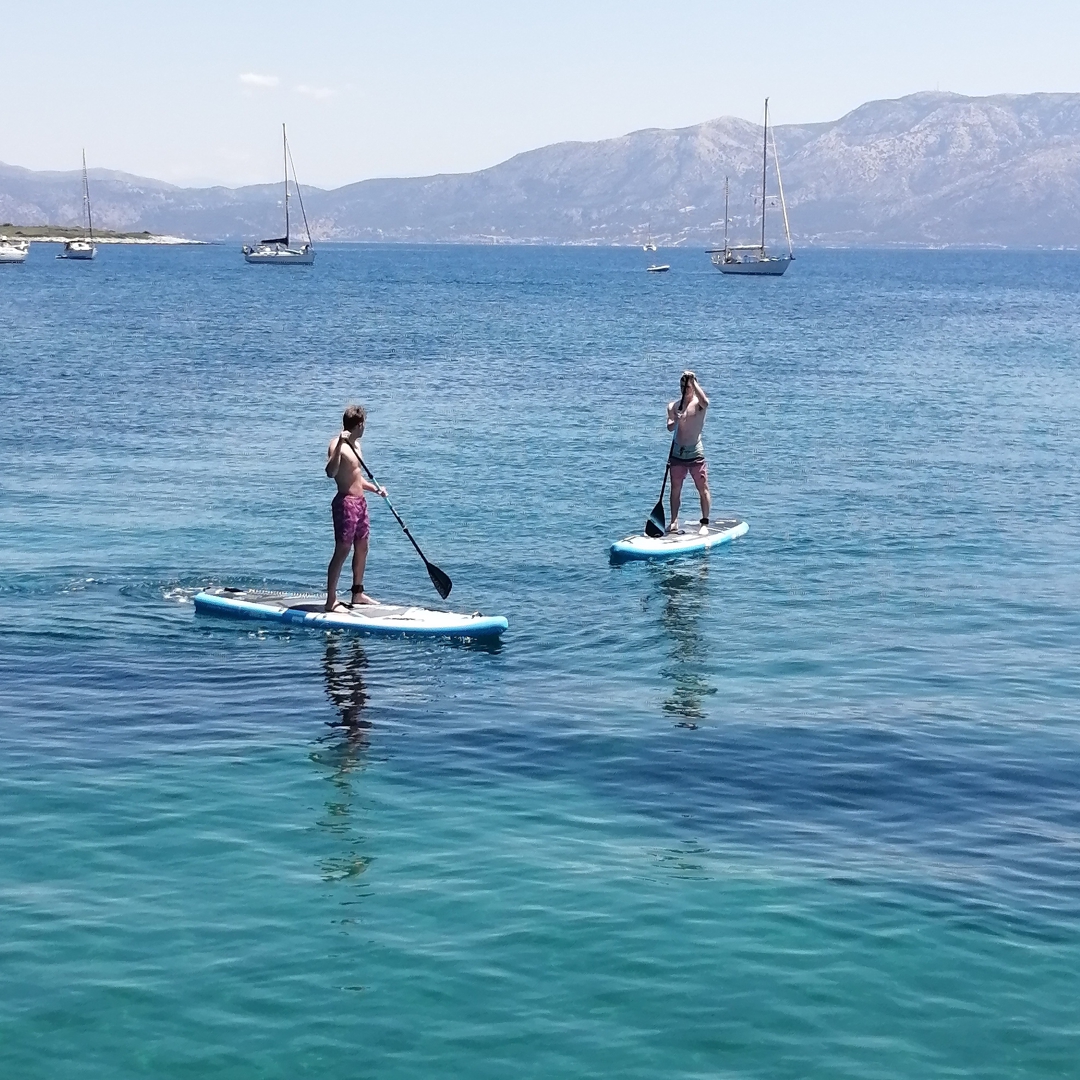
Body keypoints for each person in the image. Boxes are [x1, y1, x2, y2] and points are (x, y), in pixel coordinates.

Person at [325, 405, 387, 611]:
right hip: (346, 504)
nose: (364, 428)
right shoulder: (338, 445)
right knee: (342, 550)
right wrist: (339, 445)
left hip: (360, 503)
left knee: (362, 547)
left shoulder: (357, 446)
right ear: (359, 425)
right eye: (364, 424)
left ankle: (357, 594)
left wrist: (375, 489)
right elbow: (331, 472)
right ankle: (331, 600)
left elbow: (355, 477)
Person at [666, 370, 711, 535]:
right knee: (675, 489)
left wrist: (693, 380)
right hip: (677, 453)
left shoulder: (699, 405)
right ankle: (673, 522)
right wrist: (675, 420)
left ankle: (704, 523)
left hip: (695, 452)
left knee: (702, 487)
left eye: (687, 386)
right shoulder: (673, 406)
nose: (684, 389)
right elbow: (670, 427)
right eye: (682, 386)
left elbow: (706, 402)